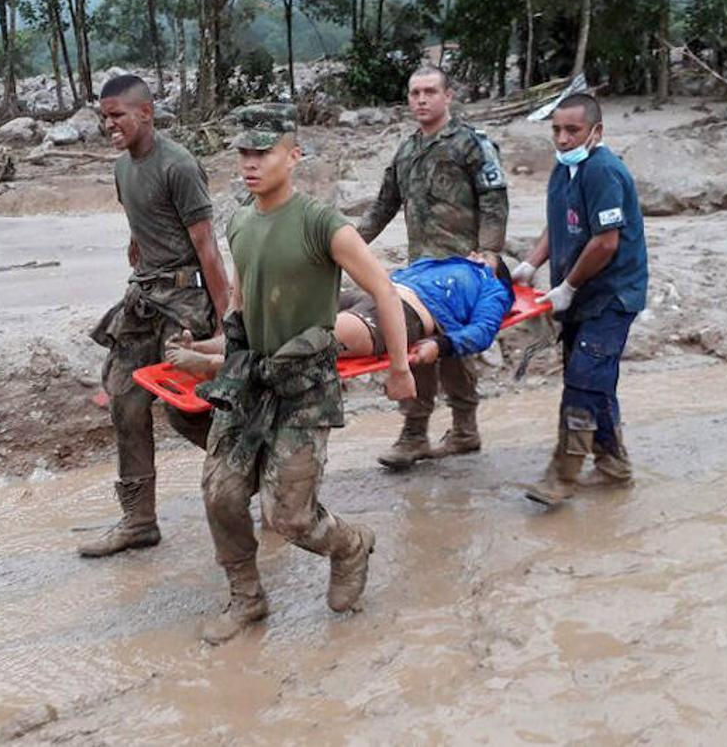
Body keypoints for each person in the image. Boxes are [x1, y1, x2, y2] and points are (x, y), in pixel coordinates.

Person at [198, 128, 416, 645]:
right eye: (243, 153)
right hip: (251, 380)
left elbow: (384, 289)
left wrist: (401, 367)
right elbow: (240, 301)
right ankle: (247, 598)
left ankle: (349, 546)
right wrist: (217, 351)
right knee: (221, 493)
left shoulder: (323, 225)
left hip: (304, 389)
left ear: (293, 157)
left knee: (288, 516)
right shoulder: (241, 223)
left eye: (263, 152)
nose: (250, 163)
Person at [79, 75, 231, 557]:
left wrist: (228, 326)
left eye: (117, 115)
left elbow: (207, 248)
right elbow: (139, 223)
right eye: (105, 117)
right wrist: (135, 247)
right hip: (143, 298)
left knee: (185, 413)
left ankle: (253, 469)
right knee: (124, 399)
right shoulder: (123, 168)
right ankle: (139, 519)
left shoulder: (179, 165)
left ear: (146, 113)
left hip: (184, 301)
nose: (110, 125)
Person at [356, 66, 510, 470]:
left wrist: (490, 253)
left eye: (429, 92)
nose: (421, 100)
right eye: (414, 93)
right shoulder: (406, 152)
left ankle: (463, 428)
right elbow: (383, 207)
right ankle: (416, 432)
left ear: (448, 97)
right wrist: (348, 247)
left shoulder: (471, 145)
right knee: (412, 351)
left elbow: (494, 201)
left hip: (463, 272)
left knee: (453, 351)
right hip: (419, 272)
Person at [167, 256, 515, 420]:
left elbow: (482, 332)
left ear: (495, 271)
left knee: (316, 336)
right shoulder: (439, 263)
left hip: (400, 315)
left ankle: (223, 365)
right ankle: (206, 347)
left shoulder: (491, 287)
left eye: (485, 256)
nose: (475, 253)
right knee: (285, 317)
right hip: (372, 293)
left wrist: (440, 345)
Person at [511, 93, 648, 508]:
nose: (563, 139)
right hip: (578, 295)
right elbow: (560, 225)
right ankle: (613, 466)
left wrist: (567, 285)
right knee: (593, 378)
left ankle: (562, 474)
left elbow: (605, 242)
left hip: (610, 295)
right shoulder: (564, 170)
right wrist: (530, 264)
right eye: (556, 130)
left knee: (583, 379)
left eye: (572, 130)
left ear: (596, 131)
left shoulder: (604, 172)